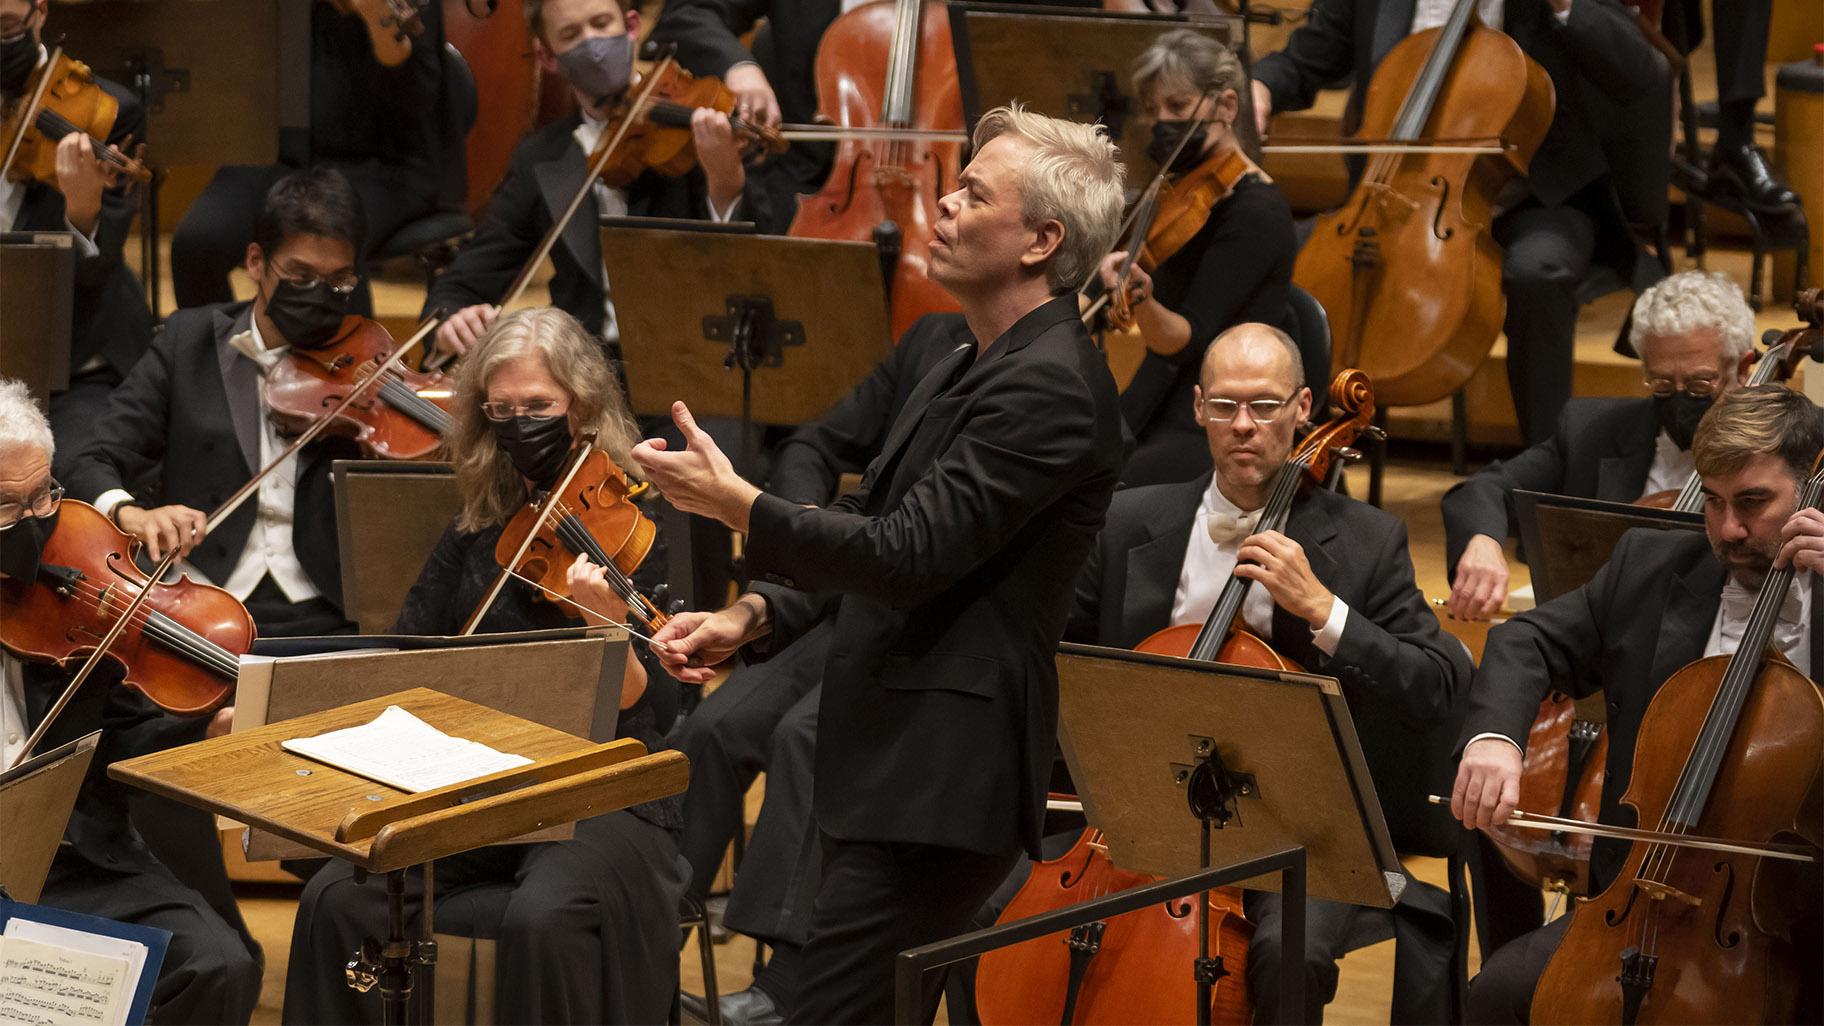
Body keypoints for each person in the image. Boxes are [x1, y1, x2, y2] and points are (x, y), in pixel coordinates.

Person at [592, 104, 1128, 1024]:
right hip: (888, 763)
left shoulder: (1052, 388)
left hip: (940, 780)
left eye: (972, 193)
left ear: (1042, 239)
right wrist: (753, 617)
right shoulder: (964, 356)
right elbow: (870, 510)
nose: (944, 206)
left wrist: (740, 506)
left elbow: (906, 554)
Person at [992, 324, 1473, 1024]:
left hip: (1301, 833)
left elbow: (1437, 686)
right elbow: (1054, 657)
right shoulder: (1129, 520)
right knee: (990, 913)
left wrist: (1325, 610)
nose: (1243, 426)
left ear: (1305, 408)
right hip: (1139, 816)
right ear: (1196, 408)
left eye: (1266, 406)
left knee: (1289, 956)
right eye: (1224, 407)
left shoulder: (1368, 543)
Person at [282, 307, 689, 1025]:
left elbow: (655, 706)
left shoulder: (644, 523)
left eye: (537, 407)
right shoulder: (478, 525)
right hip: (482, 784)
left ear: (584, 406)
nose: (519, 425)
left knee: (545, 917)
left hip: (604, 788)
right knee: (335, 897)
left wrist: (608, 626)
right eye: (501, 411)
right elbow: (405, 652)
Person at [1451, 383, 1824, 1024]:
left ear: (1813, 483)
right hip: (1640, 900)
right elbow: (1526, 639)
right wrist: (1495, 738)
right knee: (1498, 995)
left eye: (1754, 503)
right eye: (1713, 503)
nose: (1729, 530)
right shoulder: (1649, 564)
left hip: (1802, 921)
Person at [673, 314, 972, 1025]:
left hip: (917, 624)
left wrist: (784, 528)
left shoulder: (1051, 376)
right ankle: (650, 943)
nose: (952, 208)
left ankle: (785, 990)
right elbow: (815, 441)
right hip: (838, 592)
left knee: (807, 739)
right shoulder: (936, 341)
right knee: (714, 728)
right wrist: (802, 520)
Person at [1250, 0, 1668, 446]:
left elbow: (1641, 72)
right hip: (1398, 198)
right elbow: (1311, 55)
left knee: (1538, 274)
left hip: (1536, 196)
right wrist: (1261, 86)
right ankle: (1306, 462)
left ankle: (1547, 465)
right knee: (1270, 257)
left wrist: (1566, 7)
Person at [0, 378, 262, 1026]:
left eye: (44, 497)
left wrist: (199, 737)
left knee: (218, 963)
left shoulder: (59, 606)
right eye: (8, 507)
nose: (37, 527)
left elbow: (119, 737)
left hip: (70, 862)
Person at [65, 166, 366, 639]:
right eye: (300, 276)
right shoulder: (188, 343)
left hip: (327, 605)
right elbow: (93, 456)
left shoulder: (371, 367)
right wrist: (132, 514)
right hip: (203, 598)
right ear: (256, 263)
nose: (318, 296)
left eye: (338, 282)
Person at [424, 0, 771, 363]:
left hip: (698, 367)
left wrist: (724, 182)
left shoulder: (699, 128)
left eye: (602, 24)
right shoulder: (542, 158)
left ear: (632, 26)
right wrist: (451, 322)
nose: (593, 44)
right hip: (584, 376)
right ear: (547, 57)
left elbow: (761, 271)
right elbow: (465, 282)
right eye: (572, 35)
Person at [1443, 268, 1759, 621]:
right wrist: (1481, 540)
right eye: (1663, 384)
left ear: (1743, 368)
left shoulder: (1790, 444)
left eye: (1700, 384)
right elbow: (1486, 488)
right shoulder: (1591, 429)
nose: (1680, 398)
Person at [1098, 29, 1296, 487]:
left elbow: (1184, 340)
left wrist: (1140, 297)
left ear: (1227, 107)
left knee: (1102, 486)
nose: (1163, 122)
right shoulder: (1188, 189)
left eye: (1179, 108)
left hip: (1215, 415)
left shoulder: (1256, 213)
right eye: (1154, 110)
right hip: (1163, 391)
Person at [169, 0, 456, 314]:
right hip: (281, 153)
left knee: (331, 234)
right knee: (196, 241)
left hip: (384, 165)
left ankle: (351, 362)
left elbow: (417, 105)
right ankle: (218, 360)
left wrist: (380, 23)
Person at [0, 0, 154, 478]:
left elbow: (93, 276)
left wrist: (83, 211)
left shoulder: (108, 113)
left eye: (5, 26)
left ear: (39, 13)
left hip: (72, 355)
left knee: (73, 476)